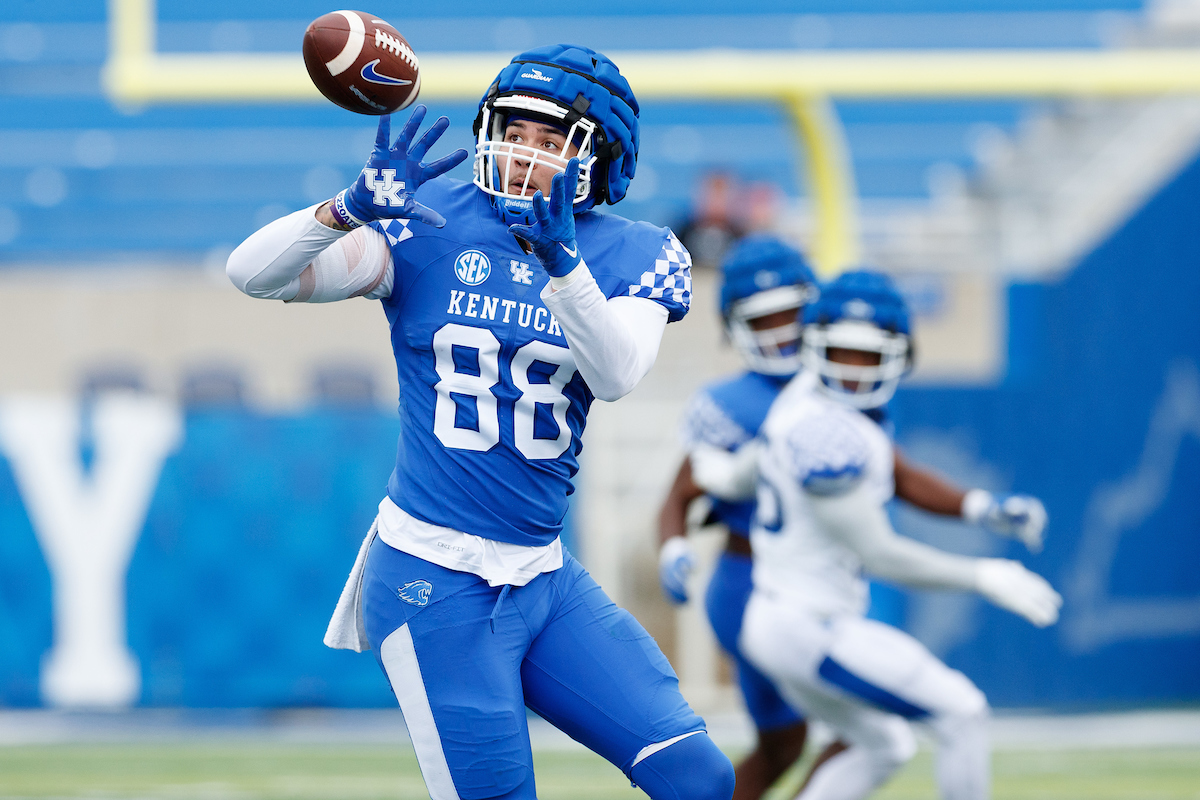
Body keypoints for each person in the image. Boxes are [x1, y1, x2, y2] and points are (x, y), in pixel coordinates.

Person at [226, 44, 734, 800]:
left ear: (601, 154)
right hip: (434, 576)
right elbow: (252, 273)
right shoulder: (425, 223)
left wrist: (562, 261)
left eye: (549, 136)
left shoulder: (639, 251)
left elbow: (617, 372)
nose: (525, 152)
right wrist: (345, 211)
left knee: (696, 775)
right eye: (514, 129)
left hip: (542, 574)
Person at [655, 244, 1045, 799]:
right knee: (961, 712)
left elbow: (745, 470)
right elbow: (879, 553)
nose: (853, 371)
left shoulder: (800, 398)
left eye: (866, 355)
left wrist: (979, 506)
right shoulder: (821, 432)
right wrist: (985, 576)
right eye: (840, 352)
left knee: (882, 742)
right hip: (799, 618)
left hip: (789, 610)